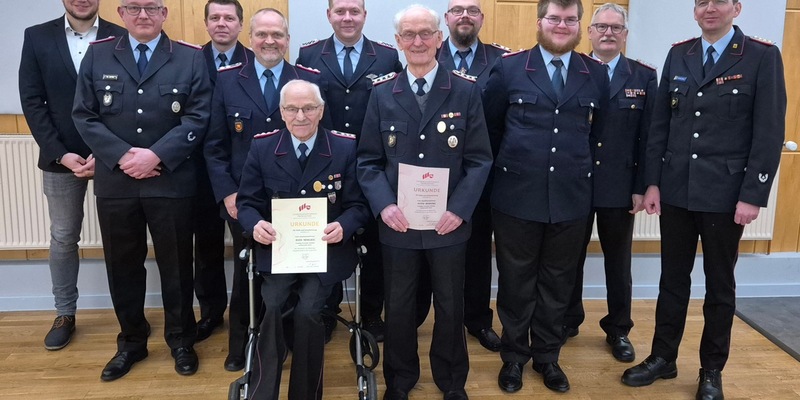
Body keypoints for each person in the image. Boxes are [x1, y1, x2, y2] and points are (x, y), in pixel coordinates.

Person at [621, 1, 786, 399]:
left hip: (725, 196)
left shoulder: (761, 56)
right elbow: (661, 125)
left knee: (719, 287)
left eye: (719, 1)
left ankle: (711, 370)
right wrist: (654, 182)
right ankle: (663, 357)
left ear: (736, 8)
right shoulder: (681, 54)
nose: (710, 8)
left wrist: (753, 195)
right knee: (672, 281)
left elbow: (768, 131)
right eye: (701, 2)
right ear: (694, 11)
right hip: (677, 191)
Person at [357, 5, 492, 399]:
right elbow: (367, 162)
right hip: (397, 224)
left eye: (425, 33)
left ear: (439, 38)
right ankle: (399, 381)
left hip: (447, 224)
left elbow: (479, 160)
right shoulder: (382, 92)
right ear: (398, 42)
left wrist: (459, 210)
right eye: (409, 35)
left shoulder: (465, 90)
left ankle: (452, 382)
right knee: (398, 307)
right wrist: (384, 206)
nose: (417, 41)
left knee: (450, 307)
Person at [72, 0, 212, 381]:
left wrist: (156, 155)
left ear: (165, 13)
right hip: (116, 182)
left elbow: (199, 116)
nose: (143, 15)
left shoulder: (189, 58)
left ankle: (181, 341)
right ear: (121, 13)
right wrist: (122, 155)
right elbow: (84, 114)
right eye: (134, 7)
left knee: (177, 266)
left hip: (170, 180)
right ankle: (131, 342)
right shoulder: (98, 55)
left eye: (152, 7)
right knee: (122, 266)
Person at [482, 0, 608, 393]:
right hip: (516, 195)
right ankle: (514, 357)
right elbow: (490, 129)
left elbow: (598, 134)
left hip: (571, 197)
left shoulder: (595, 73)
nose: (562, 25)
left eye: (570, 19)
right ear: (540, 22)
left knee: (558, 283)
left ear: (579, 26)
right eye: (554, 18)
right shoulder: (509, 68)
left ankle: (548, 357)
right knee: (516, 282)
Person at [204, 7, 323, 372]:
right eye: (262, 34)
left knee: (293, 273)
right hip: (246, 201)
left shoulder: (306, 80)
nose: (270, 41)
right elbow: (215, 145)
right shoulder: (227, 80)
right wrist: (228, 193)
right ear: (250, 38)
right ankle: (240, 343)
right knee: (247, 271)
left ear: (287, 40)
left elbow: (321, 142)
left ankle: (285, 339)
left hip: (297, 201)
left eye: (277, 35)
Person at [237, 79, 370, 400]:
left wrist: (344, 225)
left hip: (325, 253)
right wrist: (256, 225)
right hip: (280, 251)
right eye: (292, 109)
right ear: (281, 112)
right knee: (273, 304)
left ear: (321, 111)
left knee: (309, 309)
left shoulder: (344, 147)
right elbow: (247, 204)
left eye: (308, 108)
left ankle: (305, 394)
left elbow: (359, 206)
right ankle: (261, 392)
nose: (301, 116)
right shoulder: (263, 147)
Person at [18, 0, 125, 351]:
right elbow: (32, 101)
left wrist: (108, 151)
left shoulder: (120, 36)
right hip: (60, 157)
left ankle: (129, 316)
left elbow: (129, 101)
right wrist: (60, 153)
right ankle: (65, 313)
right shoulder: (37, 37)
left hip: (112, 157)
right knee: (64, 236)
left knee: (123, 237)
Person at [295, 0, 403, 344]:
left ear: (364, 16)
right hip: (324, 167)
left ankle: (371, 314)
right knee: (327, 240)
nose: (347, 17)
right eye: (340, 11)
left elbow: (396, 108)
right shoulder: (309, 55)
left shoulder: (386, 57)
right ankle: (327, 311)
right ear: (329, 15)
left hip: (373, 167)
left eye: (354, 11)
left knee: (374, 244)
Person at [562, 2, 657, 363]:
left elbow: (649, 137)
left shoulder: (643, 76)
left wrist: (643, 185)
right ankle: (567, 320)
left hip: (620, 185)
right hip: (576, 183)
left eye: (616, 28)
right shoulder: (571, 70)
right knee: (568, 258)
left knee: (618, 263)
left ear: (625, 35)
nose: (608, 33)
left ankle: (618, 328)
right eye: (601, 26)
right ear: (588, 32)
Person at [415, 0, 509, 353]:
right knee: (422, 251)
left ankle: (478, 320)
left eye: (472, 9)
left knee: (477, 253)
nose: (465, 15)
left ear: (481, 18)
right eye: (457, 9)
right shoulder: (425, 52)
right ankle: (416, 316)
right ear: (447, 19)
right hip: (426, 176)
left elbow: (502, 120)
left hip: (476, 177)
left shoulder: (501, 60)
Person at [193, 0, 251, 344]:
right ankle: (211, 312)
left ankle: (244, 318)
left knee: (245, 250)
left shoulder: (255, 61)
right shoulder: (188, 61)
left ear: (240, 24)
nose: (221, 23)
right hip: (198, 172)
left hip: (241, 175)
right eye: (215, 17)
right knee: (206, 246)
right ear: (206, 23)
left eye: (229, 18)